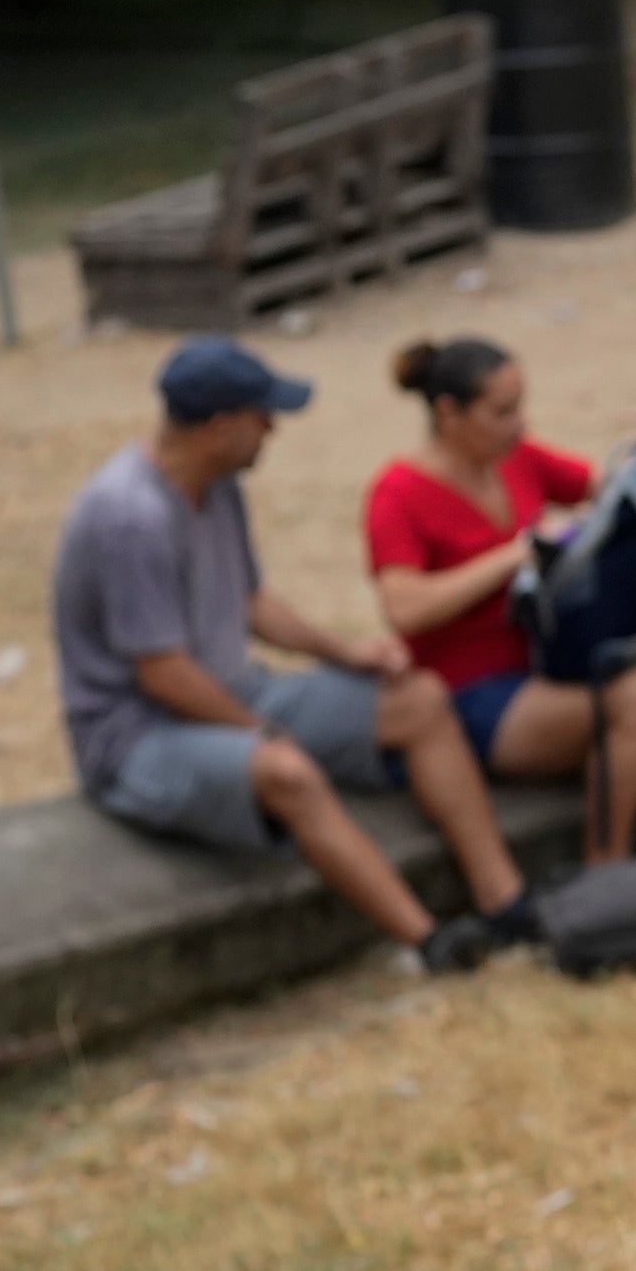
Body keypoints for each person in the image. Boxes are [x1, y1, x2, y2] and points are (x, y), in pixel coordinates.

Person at [54, 337, 537, 973]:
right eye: (262, 416)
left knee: (419, 699)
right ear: (220, 429)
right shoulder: (130, 517)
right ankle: (429, 940)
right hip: (134, 735)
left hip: (230, 687)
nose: (273, 430)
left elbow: (251, 602)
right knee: (288, 773)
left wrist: (348, 654)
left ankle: (505, 899)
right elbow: (163, 674)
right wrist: (259, 733)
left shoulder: (216, 484)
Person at [361, 335, 636, 865]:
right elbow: (404, 608)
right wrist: (509, 559)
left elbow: (603, 489)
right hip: (475, 694)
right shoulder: (398, 494)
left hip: (550, 658)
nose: (519, 424)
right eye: (502, 412)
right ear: (448, 413)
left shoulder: (513, 458)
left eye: (520, 407)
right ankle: (606, 869)